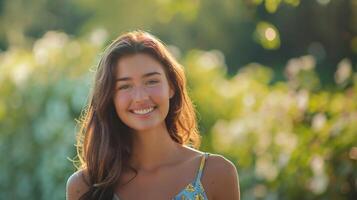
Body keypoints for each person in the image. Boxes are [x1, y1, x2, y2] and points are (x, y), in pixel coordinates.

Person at [66, 30, 240, 200]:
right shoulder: (85, 186)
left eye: (151, 81)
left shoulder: (215, 174)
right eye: (125, 86)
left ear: (171, 86)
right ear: (110, 97)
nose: (141, 97)